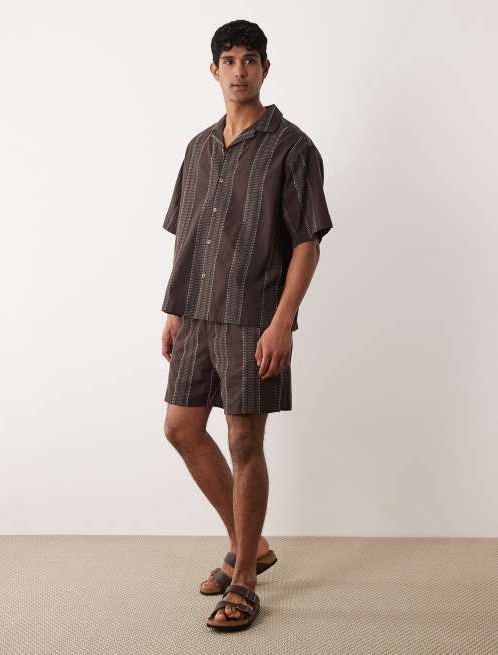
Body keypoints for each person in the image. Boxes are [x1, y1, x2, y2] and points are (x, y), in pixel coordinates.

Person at [160, 19, 333, 631]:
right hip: (196, 313)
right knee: (181, 428)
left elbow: (307, 242)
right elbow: (186, 233)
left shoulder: (293, 147)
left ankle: (245, 582)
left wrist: (283, 322)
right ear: (214, 70)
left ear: (265, 68)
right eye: (229, 60)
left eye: (250, 59)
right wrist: (174, 310)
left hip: (254, 316)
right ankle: (250, 543)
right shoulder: (198, 148)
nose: (239, 70)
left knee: (243, 440)